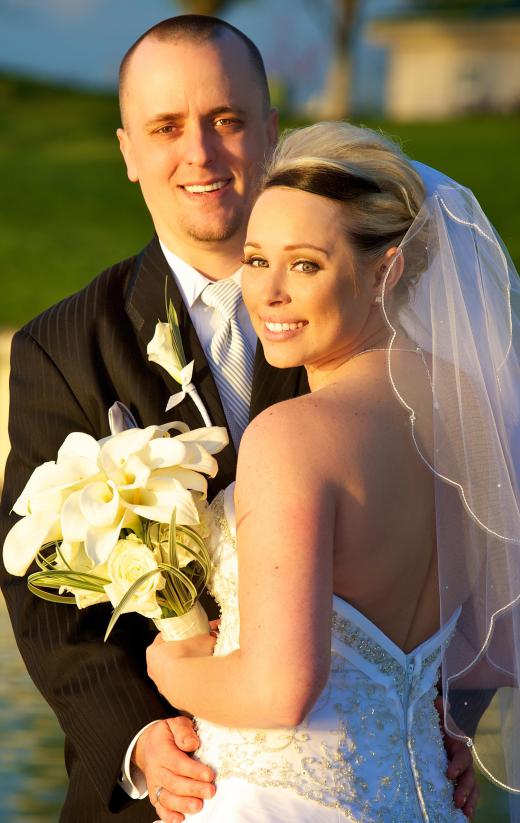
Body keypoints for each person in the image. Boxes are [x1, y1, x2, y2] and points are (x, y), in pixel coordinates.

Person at [0, 15, 475, 823]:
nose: (201, 153)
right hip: (166, 795)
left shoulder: (390, 339)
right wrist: (139, 737)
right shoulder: (65, 344)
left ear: (270, 131)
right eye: (166, 127)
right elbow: (41, 586)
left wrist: (436, 720)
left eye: (225, 121)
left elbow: (470, 549)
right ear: (127, 150)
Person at [146, 121, 520, 822]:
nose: (269, 292)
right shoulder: (475, 411)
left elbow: (279, 690)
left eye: (306, 264)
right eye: (255, 259)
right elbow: (496, 644)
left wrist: (172, 668)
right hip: (426, 800)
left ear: (388, 270)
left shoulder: (292, 437)